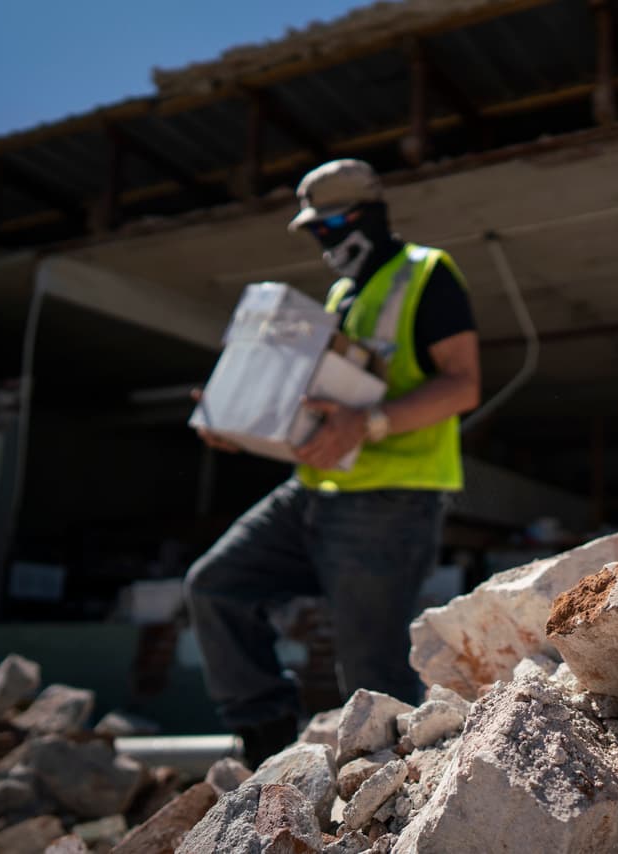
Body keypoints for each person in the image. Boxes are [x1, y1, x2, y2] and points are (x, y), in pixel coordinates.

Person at [183, 159, 480, 766]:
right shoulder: (343, 294)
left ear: (368, 216)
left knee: (370, 667)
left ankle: (397, 796)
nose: (323, 239)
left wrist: (367, 423)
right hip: (315, 489)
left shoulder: (425, 274)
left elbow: (462, 386)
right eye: (313, 229)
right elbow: (324, 402)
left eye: (331, 224)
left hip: (392, 496)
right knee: (216, 586)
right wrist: (246, 425)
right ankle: (266, 743)